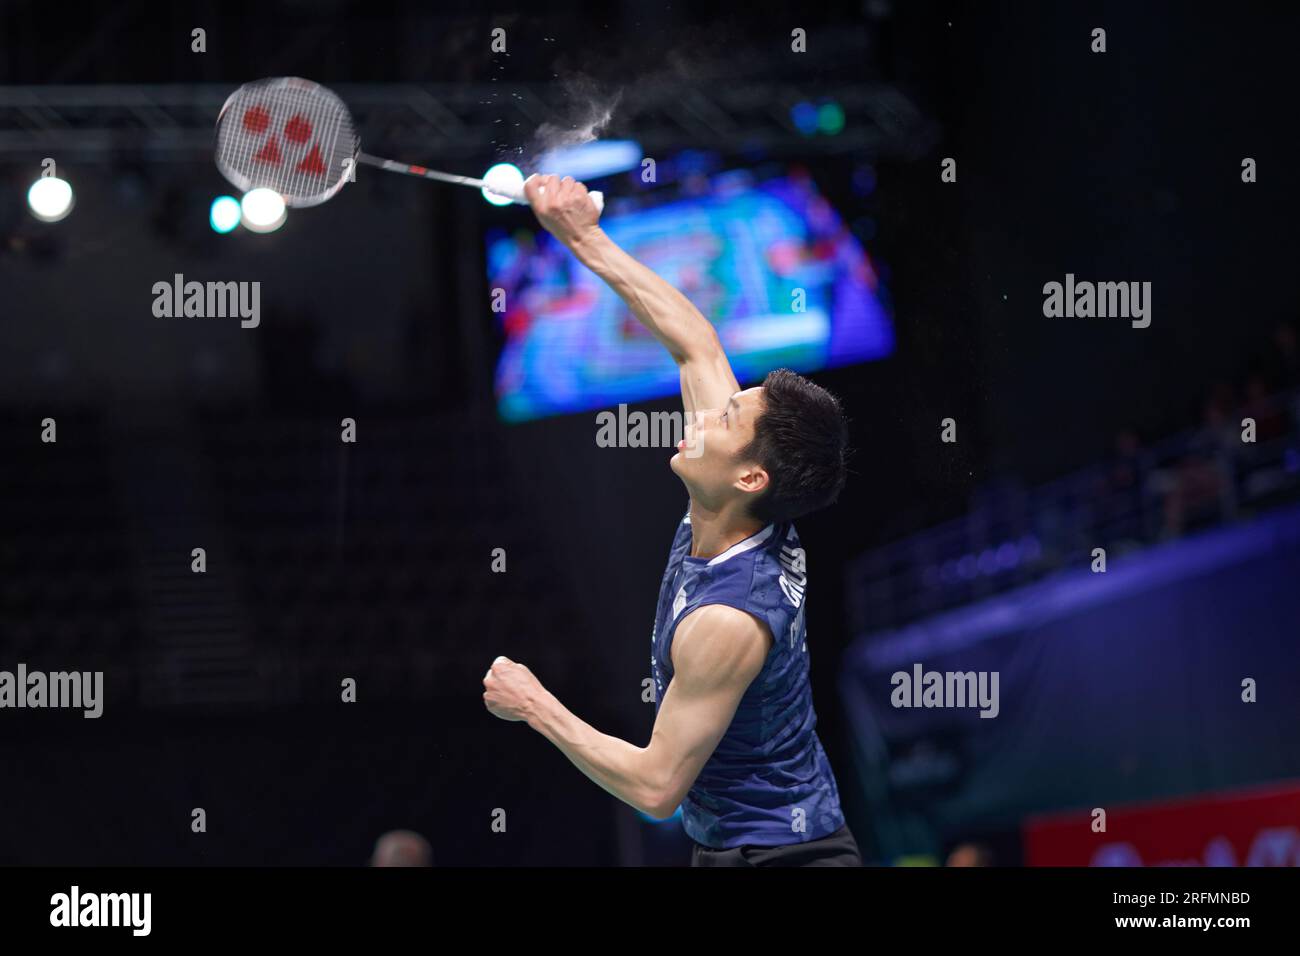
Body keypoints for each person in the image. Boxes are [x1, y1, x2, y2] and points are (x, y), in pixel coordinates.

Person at [483, 174, 861, 866]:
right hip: (733, 849)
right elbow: (694, 342)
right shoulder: (738, 505)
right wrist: (582, 235)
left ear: (752, 475)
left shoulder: (730, 618)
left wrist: (534, 703)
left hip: (785, 860)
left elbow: (657, 787)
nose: (703, 416)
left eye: (725, 419)